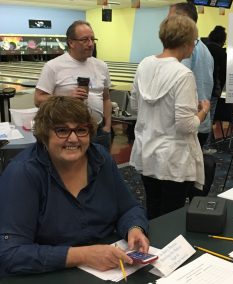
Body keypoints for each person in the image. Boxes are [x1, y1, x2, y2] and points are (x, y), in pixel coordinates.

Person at [0, 96, 149, 276]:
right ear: (44, 134)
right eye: (62, 130)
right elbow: (10, 254)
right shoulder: (23, 173)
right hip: (50, 274)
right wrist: (83, 255)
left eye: (81, 130)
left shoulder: (100, 158)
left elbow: (129, 208)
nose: (73, 138)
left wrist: (135, 228)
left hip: (110, 266)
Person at [129, 15, 210, 220]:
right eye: (194, 41)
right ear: (186, 43)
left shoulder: (144, 65)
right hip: (174, 159)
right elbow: (186, 125)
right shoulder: (183, 74)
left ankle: (150, 249)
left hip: (147, 152)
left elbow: (134, 107)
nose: (193, 45)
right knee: (171, 215)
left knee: (153, 209)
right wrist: (203, 112)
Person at [34, 20, 112, 150]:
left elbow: (106, 98)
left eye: (92, 39)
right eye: (85, 40)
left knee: (100, 168)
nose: (91, 44)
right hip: (68, 134)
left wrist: (107, 126)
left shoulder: (101, 66)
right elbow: (38, 99)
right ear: (71, 42)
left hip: (98, 131)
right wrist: (66, 98)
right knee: (72, 169)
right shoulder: (53, 66)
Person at [169, 2, 214, 149]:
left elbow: (177, 82)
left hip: (189, 124)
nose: (166, 23)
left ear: (183, 20)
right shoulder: (204, 49)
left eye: (170, 18)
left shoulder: (186, 48)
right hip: (200, 122)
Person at [205, 25, 227, 145]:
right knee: (209, 117)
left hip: (201, 89)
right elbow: (223, 74)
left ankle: (200, 144)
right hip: (213, 90)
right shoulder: (221, 53)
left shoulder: (204, 49)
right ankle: (206, 145)